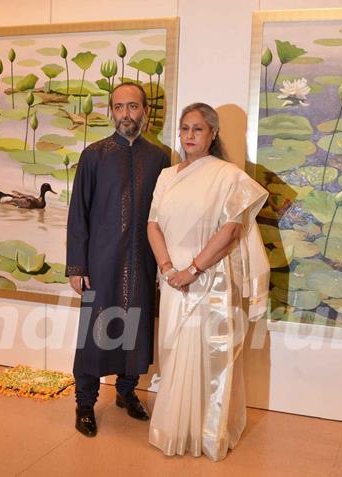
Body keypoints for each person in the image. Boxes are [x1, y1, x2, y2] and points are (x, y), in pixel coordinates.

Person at [146, 103, 269, 461]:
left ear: (213, 134)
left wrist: (193, 270)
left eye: (197, 129)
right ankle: (175, 428)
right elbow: (153, 224)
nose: (189, 136)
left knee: (212, 357)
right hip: (172, 279)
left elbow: (230, 231)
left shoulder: (228, 176)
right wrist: (169, 269)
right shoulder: (167, 176)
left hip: (211, 279)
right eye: (185, 128)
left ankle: (208, 432)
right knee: (174, 353)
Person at [66, 82, 170, 438]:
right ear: (111, 111)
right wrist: (77, 266)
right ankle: (84, 403)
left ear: (146, 111)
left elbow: (166, 216)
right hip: (101, 264)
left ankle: (126, 392)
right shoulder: (94, 155)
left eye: (133, 107)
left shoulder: (158, 158)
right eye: (119, 107)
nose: (126, 114)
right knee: (94, 337)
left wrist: (163, 263)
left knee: (137, 330)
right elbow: (77, 213)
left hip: (142, 262)